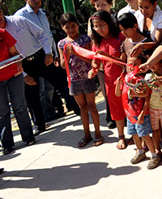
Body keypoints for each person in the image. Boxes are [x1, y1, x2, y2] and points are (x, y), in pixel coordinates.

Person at [0, 9, 79, 135]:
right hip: (23, 64)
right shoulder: (1, 34)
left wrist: (48, 53)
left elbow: (41, 34)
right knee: (32, 97)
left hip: (40, 57)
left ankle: (78, 109)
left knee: (61, 84)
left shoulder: (18, 20)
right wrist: (24, 75)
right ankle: (40, 125)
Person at [15, 0, 62, 121]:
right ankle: (41, 118)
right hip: (32, 56)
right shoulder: (20, 16)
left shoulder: (42, 14)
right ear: (26, 0)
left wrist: (54, 52)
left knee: (50, 87)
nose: (36, 0)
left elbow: (48, 35)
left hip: (47, 53)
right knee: (38, 88)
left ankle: (50, 112)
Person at [58, 13, 103, 148]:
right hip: (74, 80)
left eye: (73, 26)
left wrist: (77, 53)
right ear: (62, 28)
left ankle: (98, 133)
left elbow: (90, 59)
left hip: (87, 77)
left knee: (92, 106)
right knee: (82, 108)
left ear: (78, 25)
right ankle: (87, 134)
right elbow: (62, 64)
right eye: (67, 27)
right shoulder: (62, 44)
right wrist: (67, 55)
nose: (71, 30)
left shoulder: (85, 39)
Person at [88, 11, 127, 149]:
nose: (99, 29)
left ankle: (139, 136)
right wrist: (92, 70)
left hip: (126, 79)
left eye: (102, 25)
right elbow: (96, 62)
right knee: (116, 110)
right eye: (96, 26)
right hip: (110, 82)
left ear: (109, 23)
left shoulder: (120, 37)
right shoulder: (96, 42)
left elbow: (124, 62)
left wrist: (106, 56)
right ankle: (121, 136)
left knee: (131, 107)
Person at [116, 54, 160, 169]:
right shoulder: (126, 79)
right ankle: (140, 151)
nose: (131, 67)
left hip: (140, 114)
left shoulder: (141, 81)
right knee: (134, 134)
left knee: (144, 135)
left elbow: (146, 97)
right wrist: (119, 83)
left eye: (135, 64)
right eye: (130, 64)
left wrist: (141, 113)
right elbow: (117, 94)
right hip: (129, 114)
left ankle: (154, 155)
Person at [0, 26, 34, 154]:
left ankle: (28, 137)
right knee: (2, 112)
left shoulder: (3, 33)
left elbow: (14, 53)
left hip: (13, 74)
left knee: (19, 106)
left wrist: (19, 67)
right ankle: (7, 144)